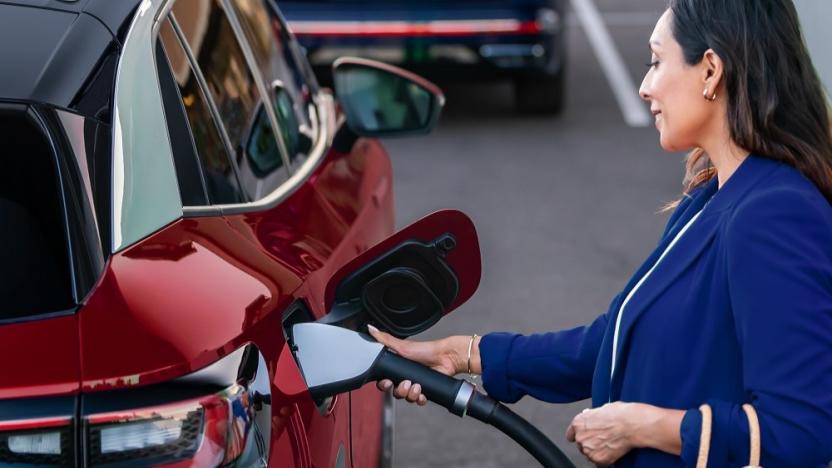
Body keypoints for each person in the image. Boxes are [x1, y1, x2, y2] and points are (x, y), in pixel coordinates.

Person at [367, 0, 832, 465]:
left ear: (710, 71)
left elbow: (800, 432)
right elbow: (616, 342)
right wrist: (463, 354)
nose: (646, 86)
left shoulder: (775, 212)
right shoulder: (711, 197)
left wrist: (645, 427)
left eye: (656, 61)